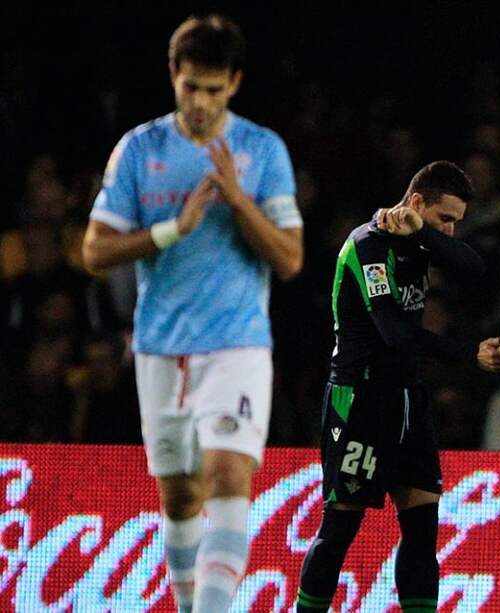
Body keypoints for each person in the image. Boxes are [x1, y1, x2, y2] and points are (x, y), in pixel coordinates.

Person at [82, 14, 303, 613]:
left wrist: (239, 202)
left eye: (213, 88)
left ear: (233, 83)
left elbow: (290, 258)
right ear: (173, 76)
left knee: (229, 477)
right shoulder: (139, 149)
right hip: (159, 347)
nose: (201, 102)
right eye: (191, 87)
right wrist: (170, 230)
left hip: (236, 343)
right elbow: (95, 250)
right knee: (179, 500)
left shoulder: (261, 151)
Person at [295, 161, 500, 613]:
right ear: (416, 202)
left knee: (422, 530)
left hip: (409, 402)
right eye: (443, 219)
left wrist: (425, 233)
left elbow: (477, 269)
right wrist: (468, 353)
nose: (449, 231)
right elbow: (396, 333)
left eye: (455, 223)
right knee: (339, 529)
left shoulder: (420, 241)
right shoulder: (368, 246)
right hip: (360, 400)